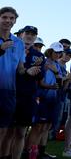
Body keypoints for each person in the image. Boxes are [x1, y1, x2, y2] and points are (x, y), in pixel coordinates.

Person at [0, 8, 41, 159]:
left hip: (9, 92)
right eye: (4, 17)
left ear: (15, 21)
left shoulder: (18, 43)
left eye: (11, 18)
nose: (8, 21)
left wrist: (28, 71)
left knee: (4, 131)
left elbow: (20, 68)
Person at [9, 26, 45, 159]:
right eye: (27, 33)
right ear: (21, 34)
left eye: (33, 34)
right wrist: (26, 71)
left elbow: (41, 76)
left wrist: (34, 72)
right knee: (6, 132)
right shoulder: (11, 50)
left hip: (27, 98)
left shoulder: (39, 55)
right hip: (10, 94)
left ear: (35, 37)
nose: (30, 36)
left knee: (20, 133)